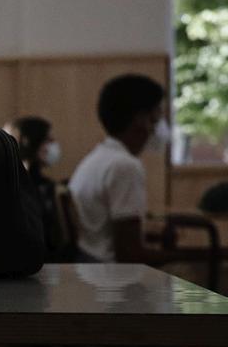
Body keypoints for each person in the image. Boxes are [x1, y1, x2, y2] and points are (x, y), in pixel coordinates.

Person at [69, 74, 202, 265]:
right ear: (141, 119)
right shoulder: (124, 167)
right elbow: (130, 256)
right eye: (157, 115)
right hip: (111, 279)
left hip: (90, 266)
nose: (161, 125)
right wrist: (196, 257)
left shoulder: (98, 158)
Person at [5, 116, 66, 260]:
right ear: (31, 142)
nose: (54, 146)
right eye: (49, 141)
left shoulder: (47, 186)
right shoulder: (38, 188)